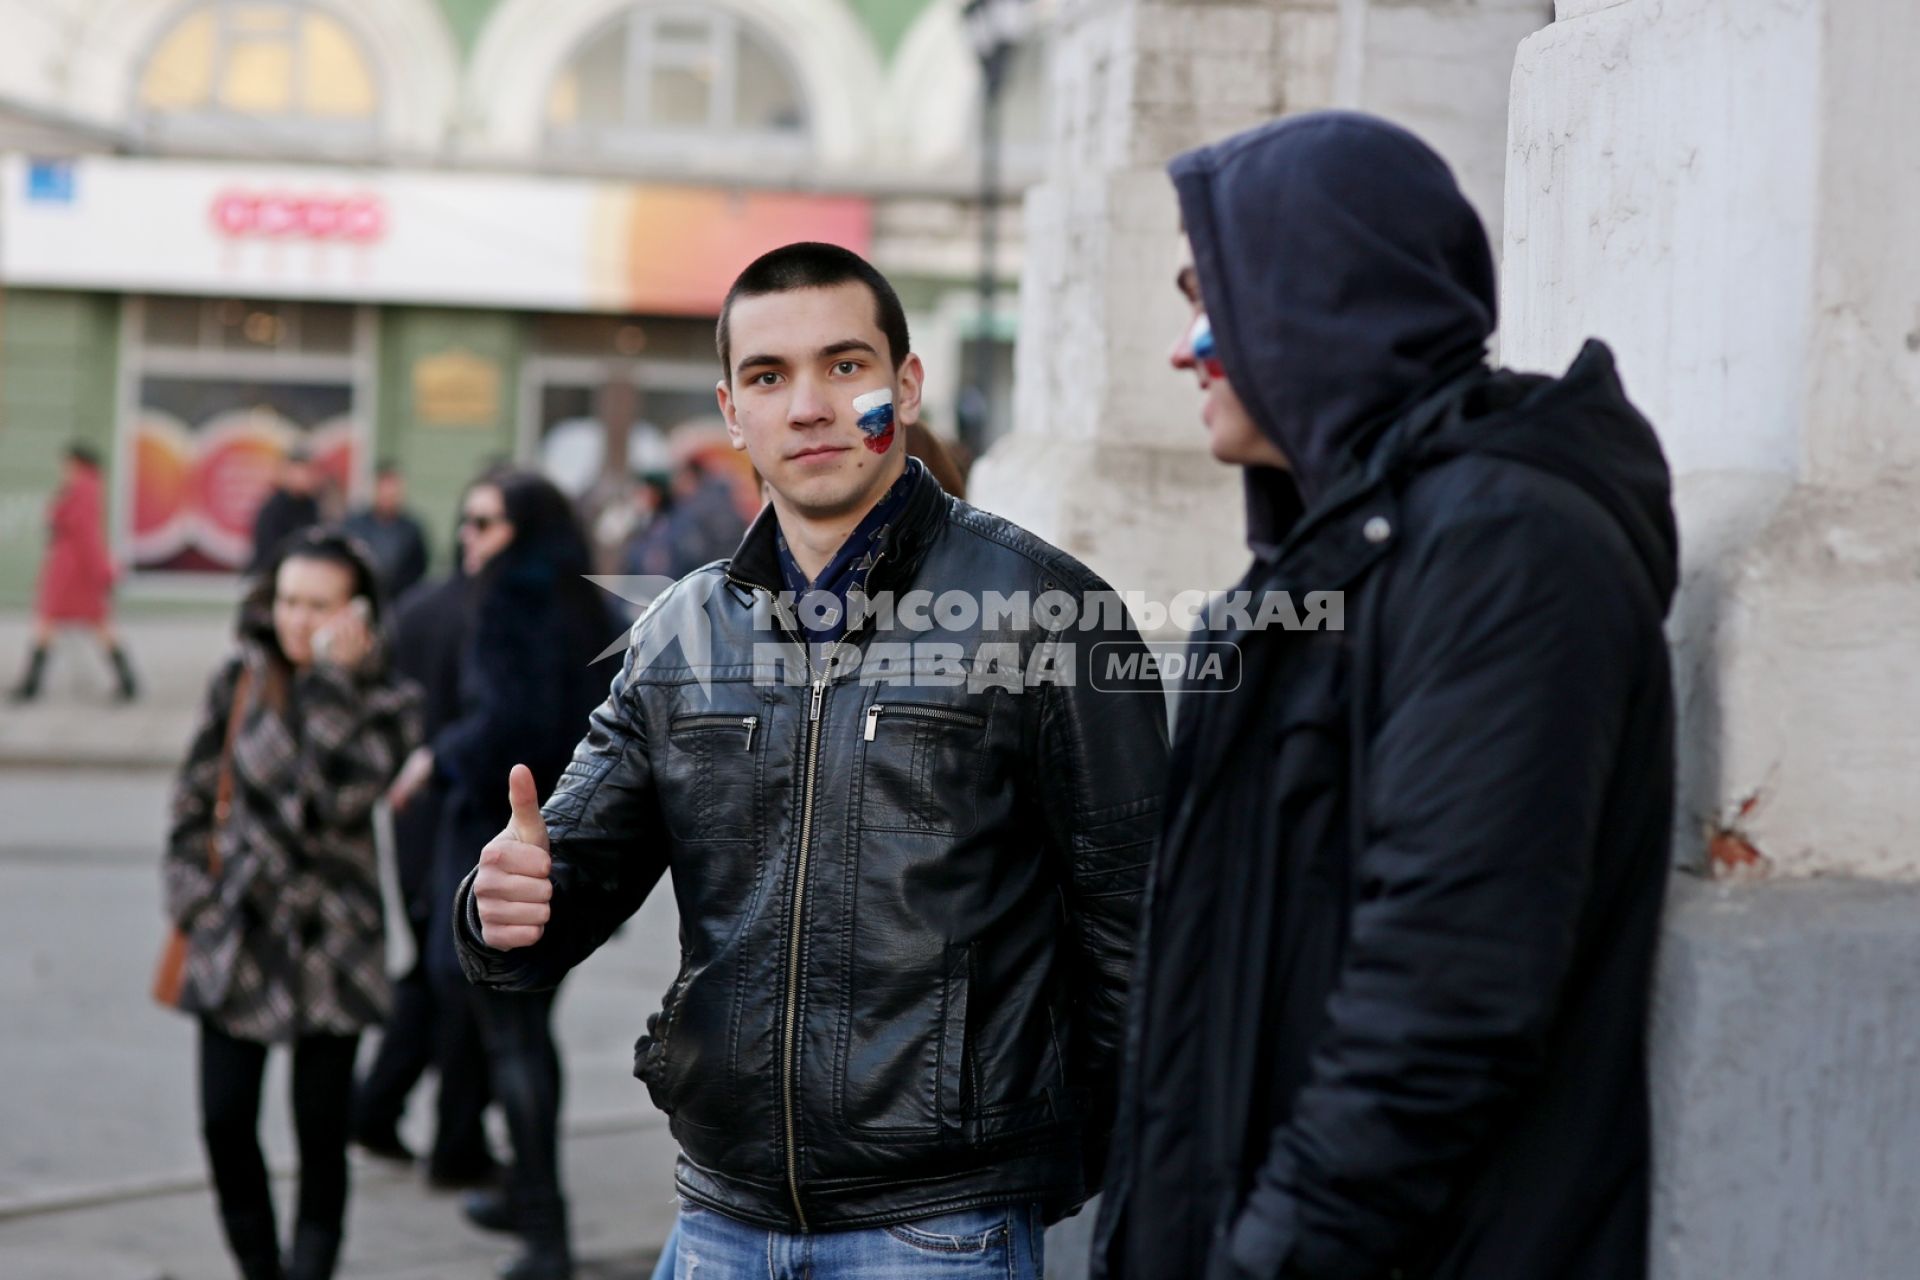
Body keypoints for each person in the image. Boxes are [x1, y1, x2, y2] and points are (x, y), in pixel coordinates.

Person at [454, 242, 1169, 1280]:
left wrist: (1047, 1164)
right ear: (732, 411)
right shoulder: (681, 630)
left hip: (940, 1228)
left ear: (907, 385)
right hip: (718, 1218)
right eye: (769, 376)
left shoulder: (1048, 612)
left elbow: (1139, 937)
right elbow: (558, 889)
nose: (809, 406)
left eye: (845, 366)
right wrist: (504, 903)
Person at [1091, 112, 1680, 1280]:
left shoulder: (1505, 547)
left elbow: (1441, 1001)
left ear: (1314, 298)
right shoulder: (1341, 556)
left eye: (1211, 299)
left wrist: (1268, 1260)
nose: (1187, 349)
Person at [162, 528, 422, 1280]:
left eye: (318, 605)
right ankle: (258, 1267)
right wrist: (193, 901)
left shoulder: (392, 702)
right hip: (236, 930)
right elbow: (190, 797)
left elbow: (330, 802)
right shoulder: (238, 679)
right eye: (287, 601)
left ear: (358, 615)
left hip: (331, 945)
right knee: (223, 1121)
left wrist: (332, 685)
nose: (297, 619)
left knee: (319, 1133)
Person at [410, 469, 618, 1280]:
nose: (472, 536)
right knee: (514, 1029)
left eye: (487, 522)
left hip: (505, 842)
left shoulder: (512, 600)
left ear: (523, 529)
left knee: (515, 1038)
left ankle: (544, 1230)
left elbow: (508, 724)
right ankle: (497, 1181)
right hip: (572, 845)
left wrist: (439, 758)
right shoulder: (582, 597)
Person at [350, 490, 497, 1186]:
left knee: (432, 979)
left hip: (417, 822)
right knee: (456, 987)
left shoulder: (420, 610)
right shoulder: (488, 619)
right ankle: (450, 1138)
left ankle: (379, 1109)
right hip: (462, 824)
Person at [9, 441, 137, 702]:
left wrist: (101, 571)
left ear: (78, 463)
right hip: (73, 571)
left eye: (67, 464)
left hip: (75, 574)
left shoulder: (83, 489)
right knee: (77, 623)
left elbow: (87, 536)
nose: (64, 469)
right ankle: (127, 681)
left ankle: (32, 684)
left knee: (66, 622)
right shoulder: (83, 488)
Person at [343, 461, 431, 601]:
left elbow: (418, 570)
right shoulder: (355, 525)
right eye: (384, 488)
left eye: (393, 490)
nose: (388, 495)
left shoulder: (412, 530)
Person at [248, 447, 324, 575]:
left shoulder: (312, 506)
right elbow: (268, 553)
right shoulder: (273, 509)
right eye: (298, 471)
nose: (303, 477)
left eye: (307, 472)